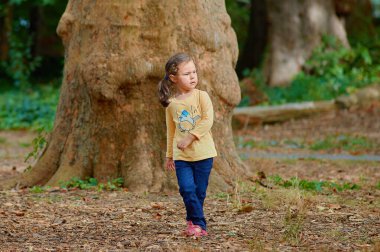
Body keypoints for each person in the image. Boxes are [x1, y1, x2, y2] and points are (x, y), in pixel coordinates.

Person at [158, 52, 217, 237]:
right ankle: (199, 224)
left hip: (204, 154)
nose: (192, 76)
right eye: (187, 73)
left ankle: (194, 222)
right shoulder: (172, 104)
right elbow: (171, 131)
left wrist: (190, 137)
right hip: (182, 157)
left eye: (194, 72)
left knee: (199, 192)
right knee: (186, 189)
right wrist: (169, 155)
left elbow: (208, 120)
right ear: (173, 78)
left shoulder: (202, 96)